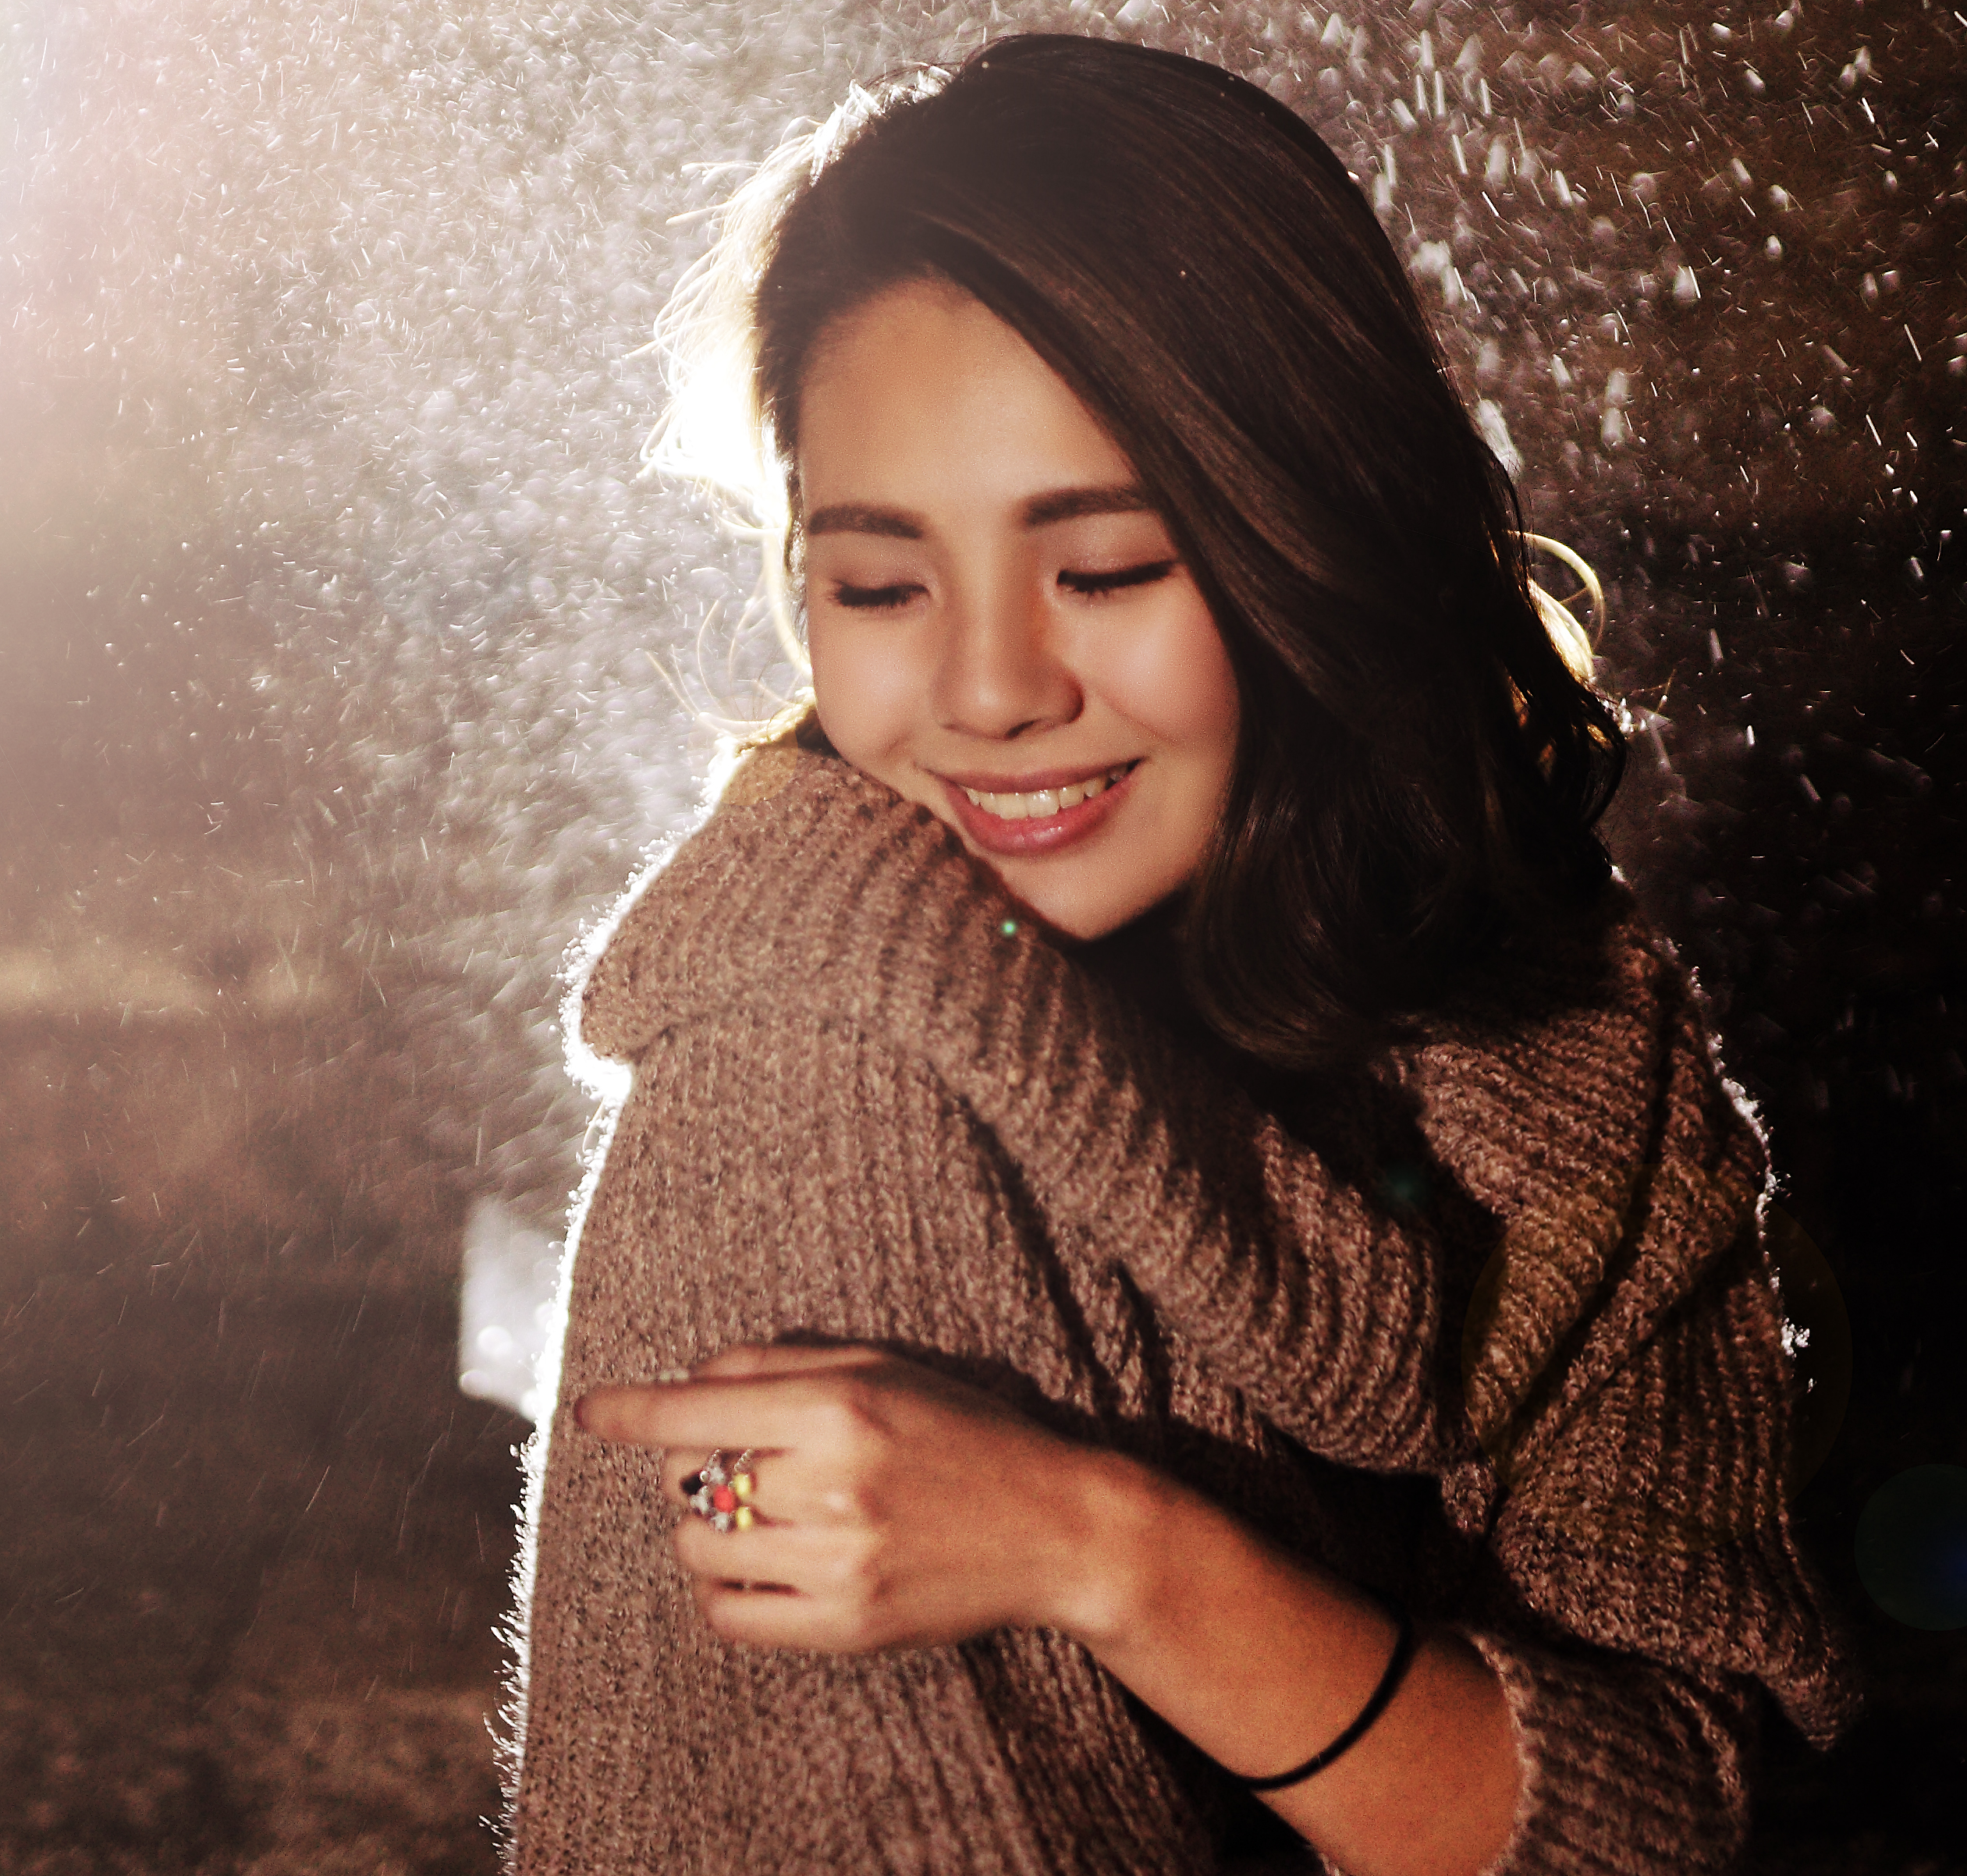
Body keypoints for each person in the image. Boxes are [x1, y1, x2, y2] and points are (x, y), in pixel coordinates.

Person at [506, 34, 1852, 1875]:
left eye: (1109, 566)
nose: (987, 695)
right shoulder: (805, 1072)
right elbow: (720, 1589)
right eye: (880, 584)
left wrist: (1107, 1550)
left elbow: (1684, 1816)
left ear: (1305, 536)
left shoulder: (1569, 1060)